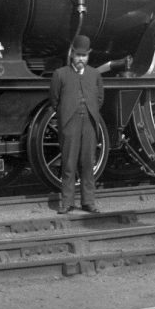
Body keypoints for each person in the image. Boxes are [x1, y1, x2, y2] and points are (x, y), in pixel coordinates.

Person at [49, 34, 104, 214]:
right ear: (72, 54)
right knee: (69, 163)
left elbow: (100, 99)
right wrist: (66, 114)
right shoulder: (60, 74)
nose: (81, 59)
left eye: (84, 56)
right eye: (78, 55)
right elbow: (54, 100)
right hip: (70, 123)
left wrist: (90, 111)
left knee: (88, 163)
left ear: (88, 56)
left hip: (89, 121)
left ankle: (88, 202)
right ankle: (67, 202)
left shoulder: (95, 74)